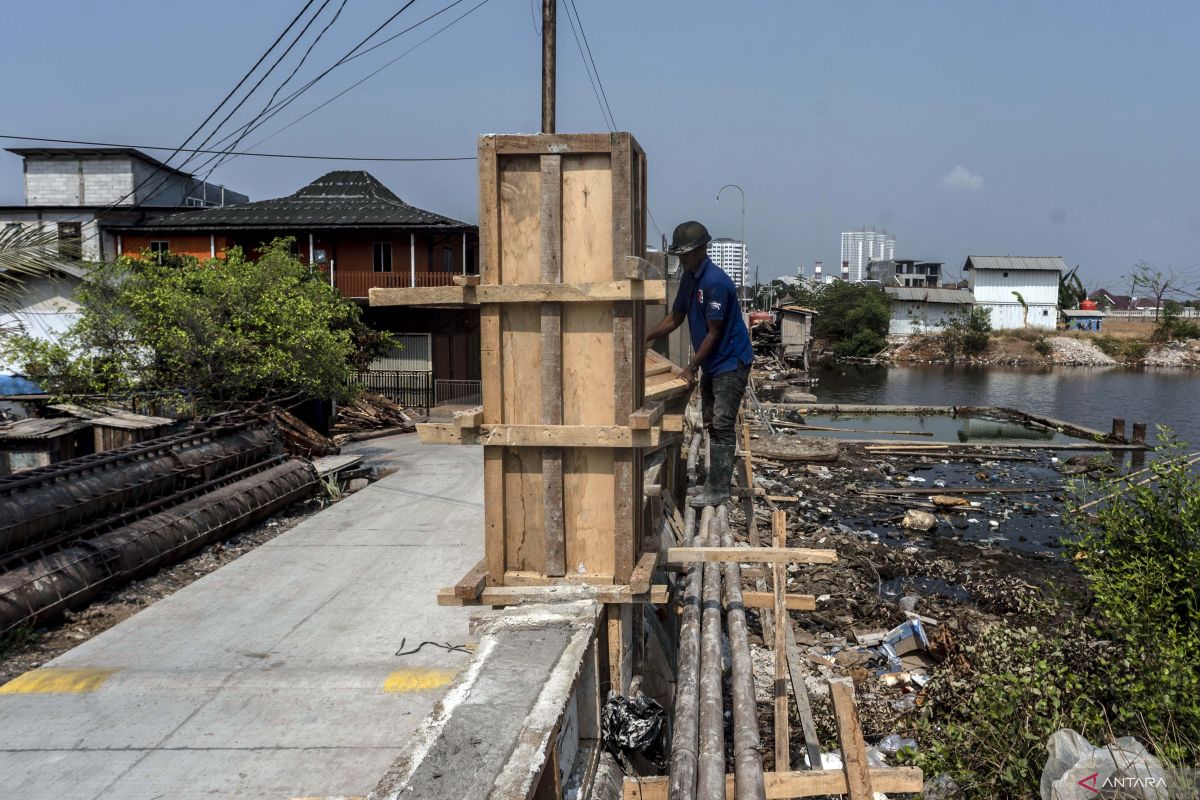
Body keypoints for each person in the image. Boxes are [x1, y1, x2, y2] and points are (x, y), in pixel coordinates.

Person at [645, 221, 754, 506]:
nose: (681, 259)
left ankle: (719, 490)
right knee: (710, 421)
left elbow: (714, 333)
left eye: (686, 253)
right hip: (713, 363)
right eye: (679, 254)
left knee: (722, 422)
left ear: (702, 249)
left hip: (730, 361)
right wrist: (646, 336)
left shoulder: (715, 282)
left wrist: (691, 367)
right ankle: (713, 483)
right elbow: (676, 317)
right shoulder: (689, 279)